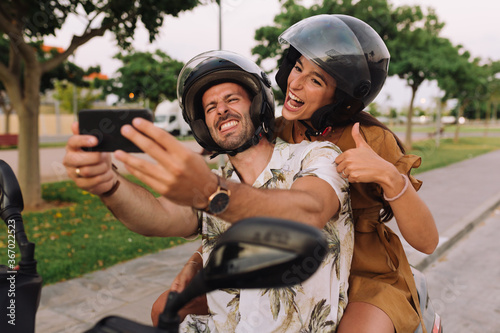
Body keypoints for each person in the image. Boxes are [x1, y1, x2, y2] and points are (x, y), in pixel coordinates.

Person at [63, 50, 354, 332]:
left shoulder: (315, 156)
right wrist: (109, 184)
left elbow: (309, 210)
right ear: (203, 127)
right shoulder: (211, 179)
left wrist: (210, 192)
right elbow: (157, 215)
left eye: (231, 99)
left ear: (258, 105)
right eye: (210, 108)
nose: (221, 110)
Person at [273, 14, 439, 333]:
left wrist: (389, 177)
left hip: (363, 273)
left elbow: (428, 242)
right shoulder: (275, 133)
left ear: (342, 98)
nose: (295, 84)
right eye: (298, 68)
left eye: (316, 80)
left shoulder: (371, 140)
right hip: (291, 265)